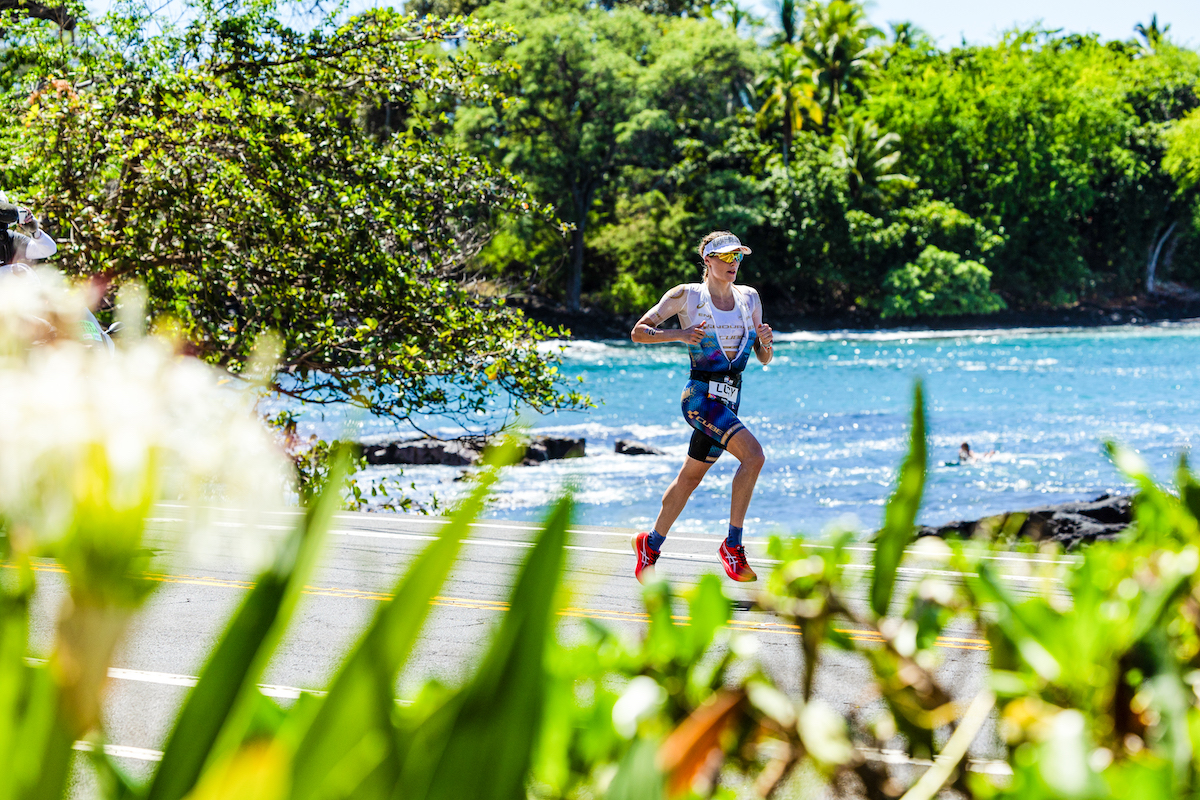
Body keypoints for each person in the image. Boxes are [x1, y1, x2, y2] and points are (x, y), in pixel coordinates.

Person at [629, 231, 773, 584]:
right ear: (707, 261)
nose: (733, 264)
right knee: (754, 456)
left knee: (690, 478)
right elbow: (639, 331)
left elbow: (764, 358)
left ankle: (650, 543)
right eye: (725, 257)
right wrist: (679, 334)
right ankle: (732, 546)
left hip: (729, 400)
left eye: (737, 257)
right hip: (699, 398)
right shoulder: (687, 295)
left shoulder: (749, 298)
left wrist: (767, 343)